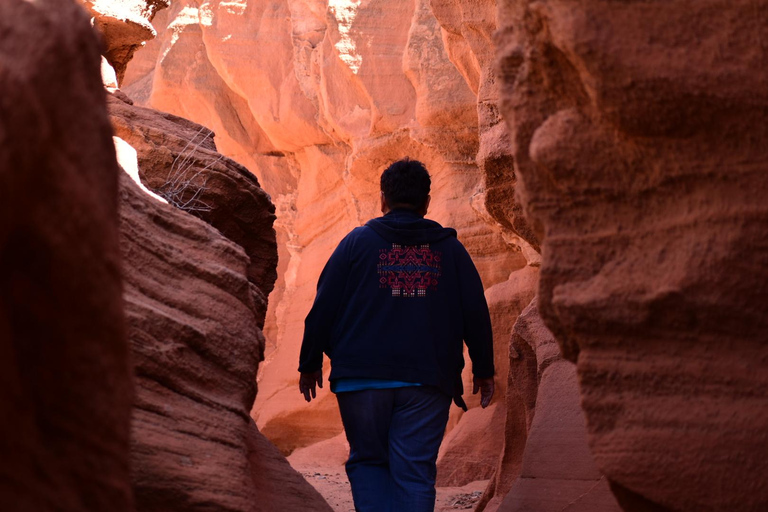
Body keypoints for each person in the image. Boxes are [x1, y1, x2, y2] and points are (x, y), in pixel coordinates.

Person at [298, 158, 495, 512]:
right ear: (426, 203)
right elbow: (475, 312)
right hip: (426, 381)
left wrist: (310, 362)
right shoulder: (449, 250)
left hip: (361, 381)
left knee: (370, 463)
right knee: (415, 473)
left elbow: (323, 306)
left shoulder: (356, 243)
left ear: (383, 199)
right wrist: (483, 368)